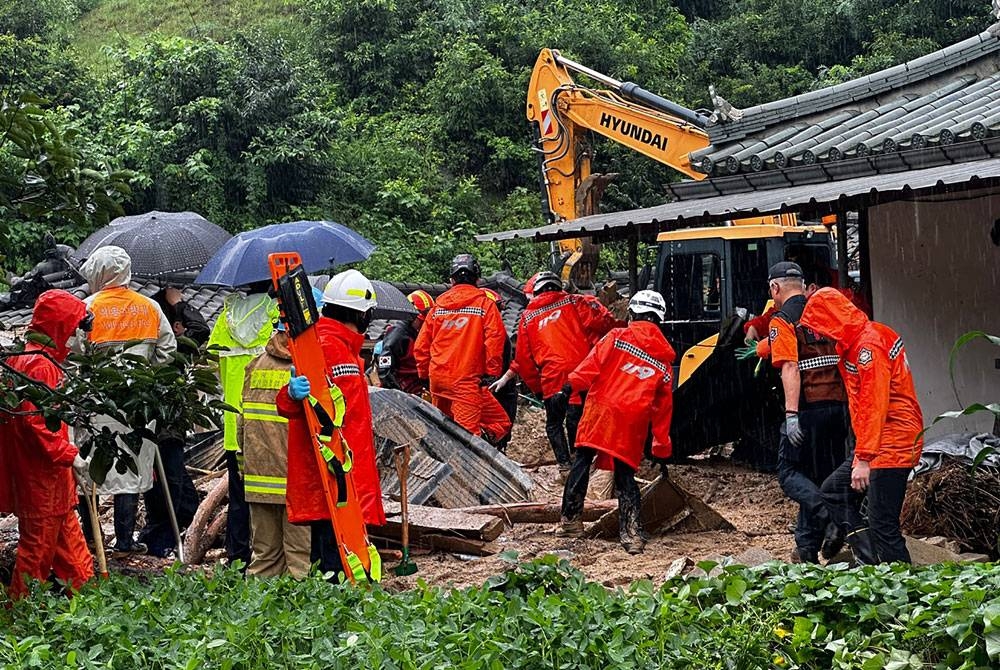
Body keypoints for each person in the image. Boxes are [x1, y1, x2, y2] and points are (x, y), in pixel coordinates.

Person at [801, 287, 924, 564]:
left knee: (884, 525)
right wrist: (863, 453)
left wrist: (864, 458)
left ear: (832, 319)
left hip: (891, 441)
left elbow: (874, 404)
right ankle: (868, 557)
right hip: (881, 439)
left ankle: (901, 588)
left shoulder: (867, 347)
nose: (820, 335)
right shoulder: (863, 339)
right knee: (834, 490)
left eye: (821, 327)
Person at [277, 270, 386, 574]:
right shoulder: (327, 347)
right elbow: (297, 406)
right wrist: (290, 394)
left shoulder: (336, 347)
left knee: (336, 556)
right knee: (335, 559)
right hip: (334, 475)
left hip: (338, 473)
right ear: (363, 314)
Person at [555, 290, 675, 554]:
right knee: (624, 476)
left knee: (582, 461)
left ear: (632, 314)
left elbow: (591, 366)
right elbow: (662, 407)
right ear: (659, 319)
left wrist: (568, 387)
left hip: (601, 410)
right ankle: (631, 534)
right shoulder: (665, 364)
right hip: (632, 420)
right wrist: (661, 444)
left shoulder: (617, 337)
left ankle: (570, 521)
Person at [76, 246, 177, 557]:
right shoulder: (149, 308)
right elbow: (168, 350)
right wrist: (149, 373)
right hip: (137, 404)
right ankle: (125, 541)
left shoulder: (86, 309)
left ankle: (90, 537)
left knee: (88, 468)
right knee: (131, 471)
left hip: (96, 404)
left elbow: (73, 355)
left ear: (99, 273)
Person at [0, 290, 95, 599]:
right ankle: (21, 616)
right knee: (37, 552)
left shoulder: (28, 358)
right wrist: (72, 456)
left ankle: (90, 605)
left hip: (49, 480)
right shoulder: (39, 364)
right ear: (59, 326)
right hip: (42, 479)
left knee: (70, 549)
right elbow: (37, 424)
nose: (75, 336)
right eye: (73, 327)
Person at [763, 262, 849, 563]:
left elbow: (789, 367)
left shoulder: (782, 320)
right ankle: (807, 549)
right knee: (817, 476)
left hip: (808, 408)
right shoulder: (824, 312)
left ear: (775, 288)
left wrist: (791, 414)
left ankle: (830, 520)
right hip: (839, 407)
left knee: (789, 474)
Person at [497, 271, 617, 470]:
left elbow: (525, 361)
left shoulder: (528, 317)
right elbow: (604, 325)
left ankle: (564, 466)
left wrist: (538, 389)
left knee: (554, 424)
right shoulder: (576, 303)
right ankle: (582, 461)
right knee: (578, 419)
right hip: (582, 376)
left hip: (552, 379)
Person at [208, 282, 278, 569]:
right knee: (271, 498)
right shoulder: (275, 314)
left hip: (232, 423)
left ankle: (237, 557)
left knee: (239, 497)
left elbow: (212, 361)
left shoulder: (226, 317)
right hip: (269, 424)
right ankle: (270, 559)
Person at [413, 254, 511, 445]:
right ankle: (467, 471)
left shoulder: (438, 306)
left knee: (442, 430)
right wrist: (491, 372)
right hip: (465, 381)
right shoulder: (485, 305)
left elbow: (421, 345)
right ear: (478, 279)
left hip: (438, 380)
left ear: (451, 279)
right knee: (468, 440)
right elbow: (495, 340)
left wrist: (425, 374)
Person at [238, 320, 310, 578]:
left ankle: (255, 611)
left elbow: (242, 422)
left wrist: (244, 464)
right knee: (299, 557)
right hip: (297, 478)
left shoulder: (254, 365)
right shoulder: (306, 368)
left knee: (264, 556)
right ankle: (299, 612)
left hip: (259, 475)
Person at [375, 290, 434, 395]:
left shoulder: (418, 333)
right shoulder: (397, 335)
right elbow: (385, 370)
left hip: (418, 391)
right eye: (422, 321)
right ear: (412, 316)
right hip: (403, 392)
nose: (424, 325)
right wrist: (398, 395)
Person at [481, 287, 517, 452]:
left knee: (502, 426)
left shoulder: (495, 331)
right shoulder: (490, 332)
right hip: (493, 387)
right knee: (499, 424)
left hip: (499, 386)